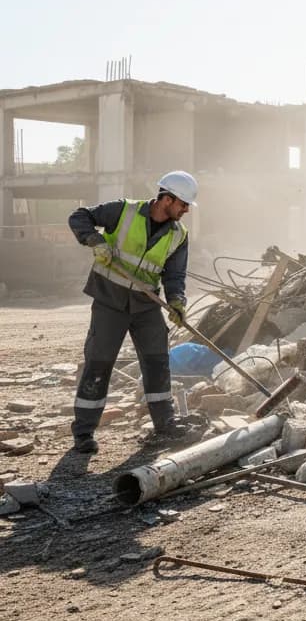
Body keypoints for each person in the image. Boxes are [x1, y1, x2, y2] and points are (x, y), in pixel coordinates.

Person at [67, 171, 197, 454]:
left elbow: (175, 275)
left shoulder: (179, 235)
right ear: (166, 198)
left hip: (146, 304)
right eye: (183, 204)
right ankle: (84, 433)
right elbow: (78, 216)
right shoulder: (123, 211)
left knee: (157, 361)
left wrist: (176, 302)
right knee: (99, 363)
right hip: (109, 300)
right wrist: (94, 241)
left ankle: (165, 424)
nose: (186, 210)